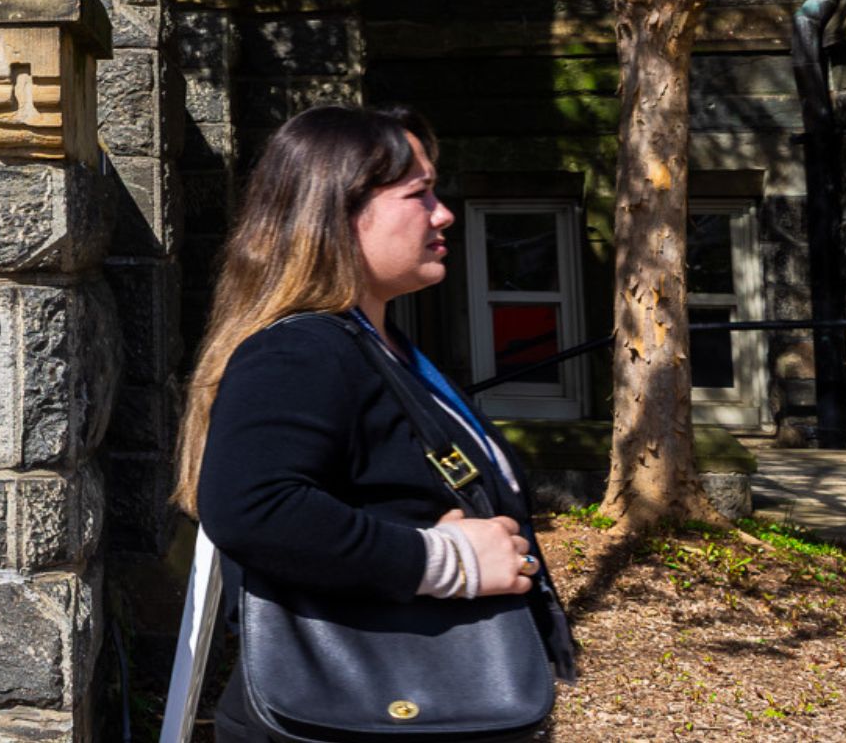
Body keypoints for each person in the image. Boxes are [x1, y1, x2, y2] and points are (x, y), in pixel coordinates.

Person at [183, 105, 572, 742]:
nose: (443, 213)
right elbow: (252, 509)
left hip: (415, 699)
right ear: (336, 212)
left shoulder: (380, 348)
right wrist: (446, 560)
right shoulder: (304, 349)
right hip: (357, 715)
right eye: (418, 194)